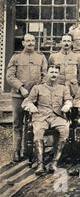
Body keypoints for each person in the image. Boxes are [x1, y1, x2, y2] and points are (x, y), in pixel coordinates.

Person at [21, 65, 73, 174]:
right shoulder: (38, 88)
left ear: (58, 74)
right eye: (52, 72)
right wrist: (32, 107)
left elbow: (69, 100)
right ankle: (40, 165)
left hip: (57, 116)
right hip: (41, 117)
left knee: (65, 130)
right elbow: (27, 102)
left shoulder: (63, 88)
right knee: (38, 132)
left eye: (56, 72)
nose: (54, 74)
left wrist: (67, 105)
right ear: (47, 73)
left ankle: (54, 163)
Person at [6, 34, 48, 162]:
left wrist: (37, 91)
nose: (30, 43)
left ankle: (28, 151)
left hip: (35, 97)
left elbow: (45, 76)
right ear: (23, 43)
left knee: (33, 123)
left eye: (32, 41)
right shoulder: (16, 57)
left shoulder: (41, 57)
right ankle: (16, 151)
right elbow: (9, 76)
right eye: (28, 41)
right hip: (19, 96)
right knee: (18, 123)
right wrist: (21, 87)